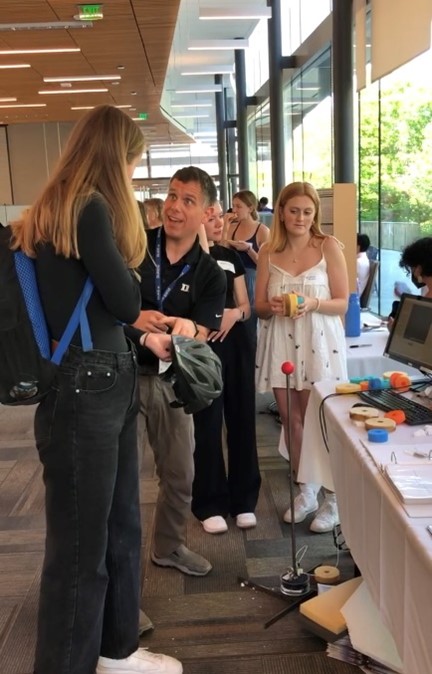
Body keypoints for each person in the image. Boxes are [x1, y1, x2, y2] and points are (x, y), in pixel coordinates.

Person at [10, 105, 182, 674]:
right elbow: (127, 301)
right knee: (84, 545)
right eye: (132, 158)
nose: (133, 170)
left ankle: (117, 650)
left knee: (118, 526)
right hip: (90, 384)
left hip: (97, 378)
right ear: (116, 155)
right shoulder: (89, 207)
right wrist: (132, 288)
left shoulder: (57, 208)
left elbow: (108, 304)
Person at [125, 166, 226, 576]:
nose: (175, 207)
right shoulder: (134, 249)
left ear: (206, 212)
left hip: (171, 381)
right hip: (123, 373)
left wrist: (189, 330)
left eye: (188, 200)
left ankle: (168, 546)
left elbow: (202, 330)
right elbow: (111, 309)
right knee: (120, 482)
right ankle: (122, 571)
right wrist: (139, 327)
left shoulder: (210, 274)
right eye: (171, 196)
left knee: (181, 475)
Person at [255, 181, 349, 534]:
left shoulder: (328, 247)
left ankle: (334, 497)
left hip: (320, 341)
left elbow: (342, 300)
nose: (300, 217)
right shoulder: (267, 250)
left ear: (315, 215)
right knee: (291, 418)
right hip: (281, 338)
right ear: (281, 211)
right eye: (294, 210)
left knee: (320, 422)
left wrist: (312, 303)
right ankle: (306, 490)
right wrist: (275, 307)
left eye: (307, 212)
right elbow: (260, 307)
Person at [192, 201, 261, 534]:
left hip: (236, 343)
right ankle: (210, 502)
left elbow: (245, 305)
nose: (218, 222)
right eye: (210, 216)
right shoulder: (190, 259)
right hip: (203, 346)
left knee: (242, 419)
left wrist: (234, 314)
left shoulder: (231, 256)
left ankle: (244, 500)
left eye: (221, 216)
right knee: (206, 424)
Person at [225, 190, 270, 341]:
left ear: (250, 208)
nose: (234, 210)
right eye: (233, 206)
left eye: (238, 206)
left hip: (252, 279)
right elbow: (221, 250)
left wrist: (249, 250)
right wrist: (225, 225)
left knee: (249, 323)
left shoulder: (262, 231)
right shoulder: (231, 228)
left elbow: (267, 265)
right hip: (232, 279)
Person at [388, 236, 432, 328]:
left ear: (419, 269)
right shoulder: (428, 290)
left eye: (411, 268)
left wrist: (395, 330)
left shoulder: (429, 294)